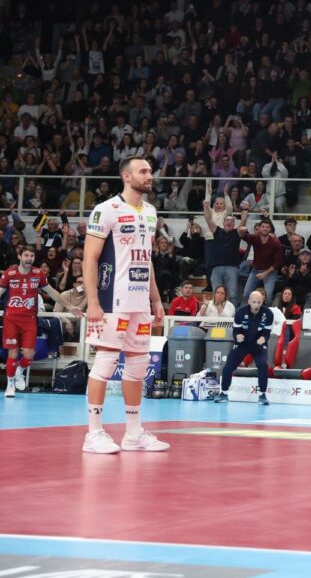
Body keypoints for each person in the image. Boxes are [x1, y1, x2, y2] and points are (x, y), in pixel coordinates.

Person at [82, 157, 168, 454]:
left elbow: (147, 259)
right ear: (126, 177)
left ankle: (133, 434)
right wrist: (93, 302)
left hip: (139, 300)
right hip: (111, 300)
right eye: (144, 171)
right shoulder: (105, 210)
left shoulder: (151, 212)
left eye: (150, 172)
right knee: (105, 363)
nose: (150, 176)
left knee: (138, 365)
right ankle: (93, 434)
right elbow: (89, 258)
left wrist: (155, 298)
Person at [212, 289, 274, 405]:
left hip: (258, 345)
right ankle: (223, 392)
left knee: (263, 366)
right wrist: (237, 336)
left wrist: (264, 339)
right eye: (254, 302)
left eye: (259, 302)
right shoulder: (240, 312)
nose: (256, 305)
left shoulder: (268, 314)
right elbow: (236, 331)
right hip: (242, 344)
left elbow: (267, 333)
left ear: (263, 301)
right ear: (249, 301)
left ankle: (262, 395)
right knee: (228, 367)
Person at [3, 247, 50, 398]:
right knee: (13, 352)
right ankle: (10, 385)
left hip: (30, 319)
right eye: (26, 255)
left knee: (29, 354)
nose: (29, 258)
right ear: (19, 257)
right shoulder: (9, 274)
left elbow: (52, 291)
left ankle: (19, 370)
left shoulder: (38, 274)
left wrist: (69, 306)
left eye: (32, 255)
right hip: (11, 318)